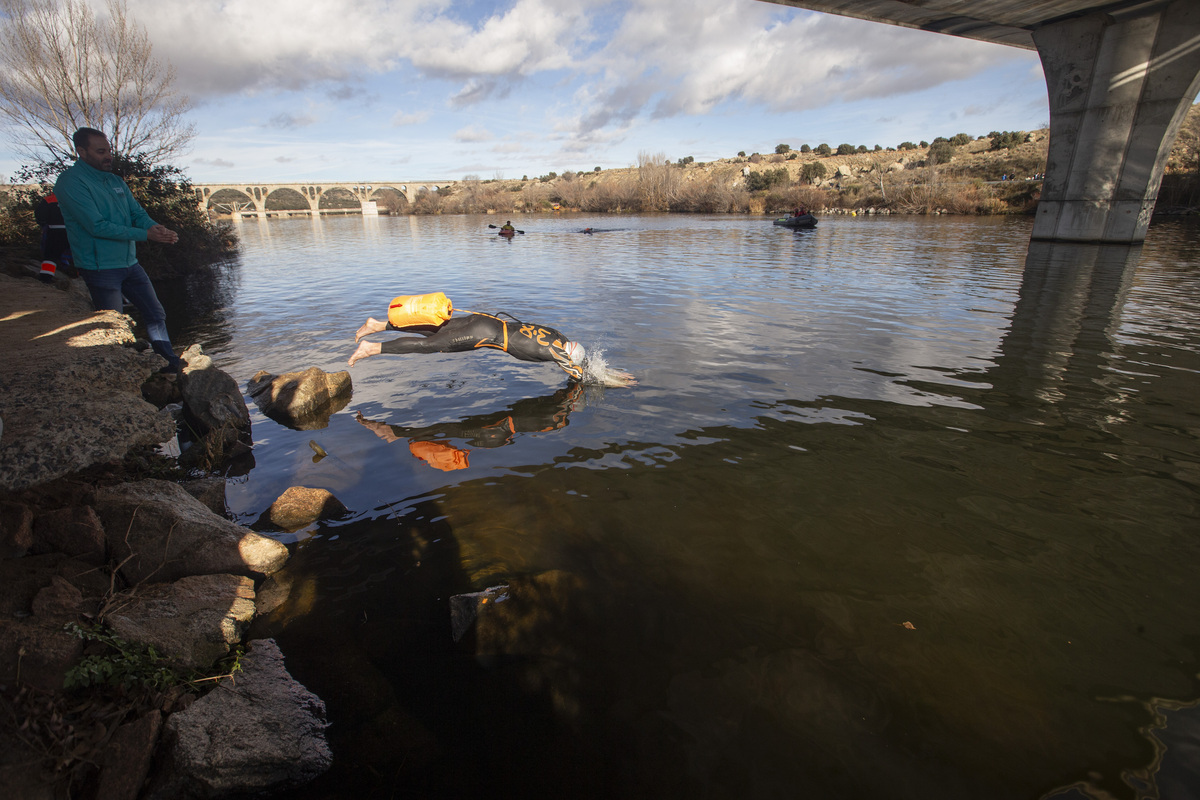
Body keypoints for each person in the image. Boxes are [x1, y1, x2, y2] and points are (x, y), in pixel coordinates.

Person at [54, 127, 183, 371]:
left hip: (129, 263)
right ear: (81, 151)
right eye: (101, 151)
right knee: (115, 325)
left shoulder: (114, 180)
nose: (108, 156)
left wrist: (155, 228)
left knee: (156, 313)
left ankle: (168, 362)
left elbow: (136, 214)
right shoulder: (70, 183)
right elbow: (96, 226)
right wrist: (144, 235)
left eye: (109, 151)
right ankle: (122, 371)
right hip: (100, 267)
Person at [349, 310, 635, 385]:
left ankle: (378, 324)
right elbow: (582, 375)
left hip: (485, 320)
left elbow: (578, 361)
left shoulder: (558, 336)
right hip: (483, 336)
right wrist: (616, 381)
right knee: (430, 346)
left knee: (436, 328)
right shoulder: (557, 355)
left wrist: (615, 372)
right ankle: (372, 349)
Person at [33, 193, 71, 284]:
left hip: (54, 231)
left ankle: (45, 278)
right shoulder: (75, 197)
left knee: (50, 256)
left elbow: (40, 215)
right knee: (78, 255)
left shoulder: (48, 199)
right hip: (74, 231)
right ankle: (78, 275)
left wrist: (44, 224)